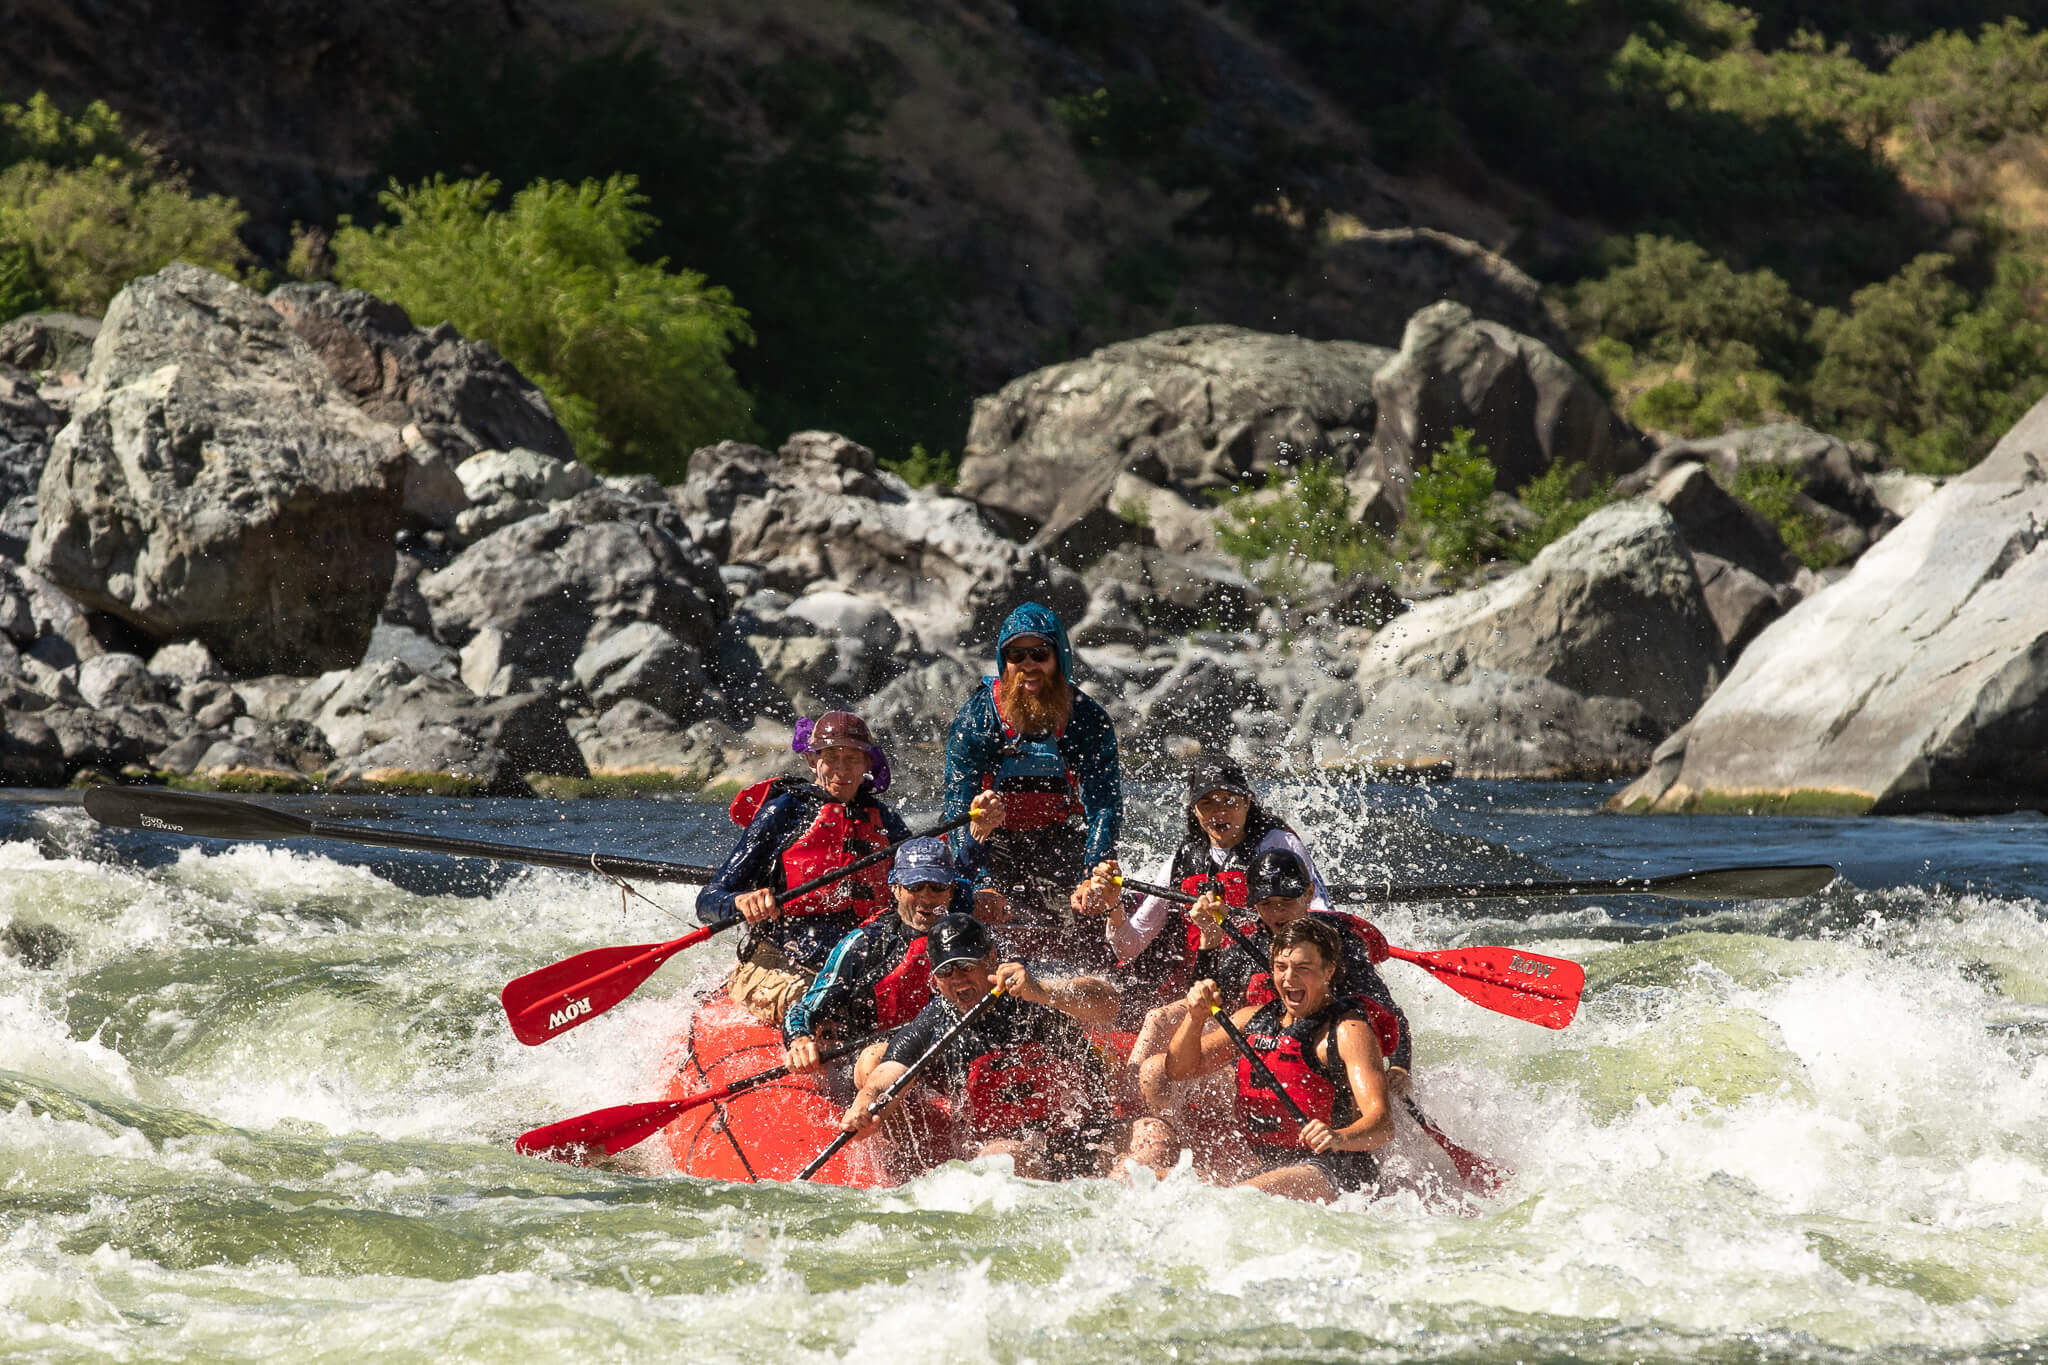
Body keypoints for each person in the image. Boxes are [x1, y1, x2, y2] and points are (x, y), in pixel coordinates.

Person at [1132, 846, 1412, 1118]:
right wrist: (1209, 941)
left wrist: (1399, 1068)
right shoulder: (1246, 948)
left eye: (1286, 902)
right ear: (1253, 904)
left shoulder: (1340, 947)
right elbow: (1206, 998)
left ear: (1309, 894)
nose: (1277, 913)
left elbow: (1386, 1009)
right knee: (1157, 1070)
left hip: (1322, 1067)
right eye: (1267, 904)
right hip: (1262, 1058)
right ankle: (1160, 1134)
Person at [837, 913, 1121, 1180]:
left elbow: (1109, 1003)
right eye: (946, 971)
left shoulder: (1031, 988)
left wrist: (1043, 992)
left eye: (966, 965)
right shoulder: (933, 1022)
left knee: (1151, 1135)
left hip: (1088, 1132)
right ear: (935, 979)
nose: (957, 978)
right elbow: (888, 1073)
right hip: (1008, 1145)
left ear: (991, 959)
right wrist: (863, 1106)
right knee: (1004, 1159)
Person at [1157, 917, 1395, 1202]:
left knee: (1236, 1200)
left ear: (1328, 970)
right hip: (1267, 1163)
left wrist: (1338, 1136)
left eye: (1303, 968)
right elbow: (1178, 1069)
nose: (1289, 978)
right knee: (1152, 1181)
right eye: (1281, 967)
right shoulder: (1250, 1020)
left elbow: (1382, 1124)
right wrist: (1195, 1019)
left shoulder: (1348, 1032)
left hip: (1335, 1168)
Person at [695, 711, 911, 1026]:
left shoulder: (884, 819)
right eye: (830, 757)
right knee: (821, 1013)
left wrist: (976, 835)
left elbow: (927, 879)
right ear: (812, 761)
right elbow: (708, 899)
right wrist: (740, 901)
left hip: (859, 967)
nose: (841, 768)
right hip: (783, 966)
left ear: (867, 764)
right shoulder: (783, 812)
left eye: (852, 758)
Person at [943, 602, 1122, 968]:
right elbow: (958, 809)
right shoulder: (976, 720)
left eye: (1039, 653)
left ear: (1059, 659)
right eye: (1016, 654)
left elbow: (1103, 805)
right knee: (968, 910)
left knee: (1092, 909)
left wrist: (1093, 873)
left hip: (1058, 839)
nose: (1028, 664)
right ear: (1003, 661)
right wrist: (982, 884)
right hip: (991, 844)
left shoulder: (1087, 719)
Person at [1101, 755, 1331, 1023]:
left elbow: (1322, 915)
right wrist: (1113, 903)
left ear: (1247, 801)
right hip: (1208, 981)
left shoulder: (1278, 844)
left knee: (1157, 1021)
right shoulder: (1182, 859)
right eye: (1206, 803)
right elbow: (1128, 947)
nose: (1218, 813)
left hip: (1271, 981)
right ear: (1194, 810)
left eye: (1229, 801)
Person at [781, 837, 970, 1085]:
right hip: (877, 1061)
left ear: (951, 891)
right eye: (915, 887)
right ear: (895, 887)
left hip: (947, 1054)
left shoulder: (969, 938)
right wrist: (799, 1040)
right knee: (873, 1060)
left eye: (937, 888)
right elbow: (804, 1008)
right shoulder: (864, 944)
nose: (927, 897)